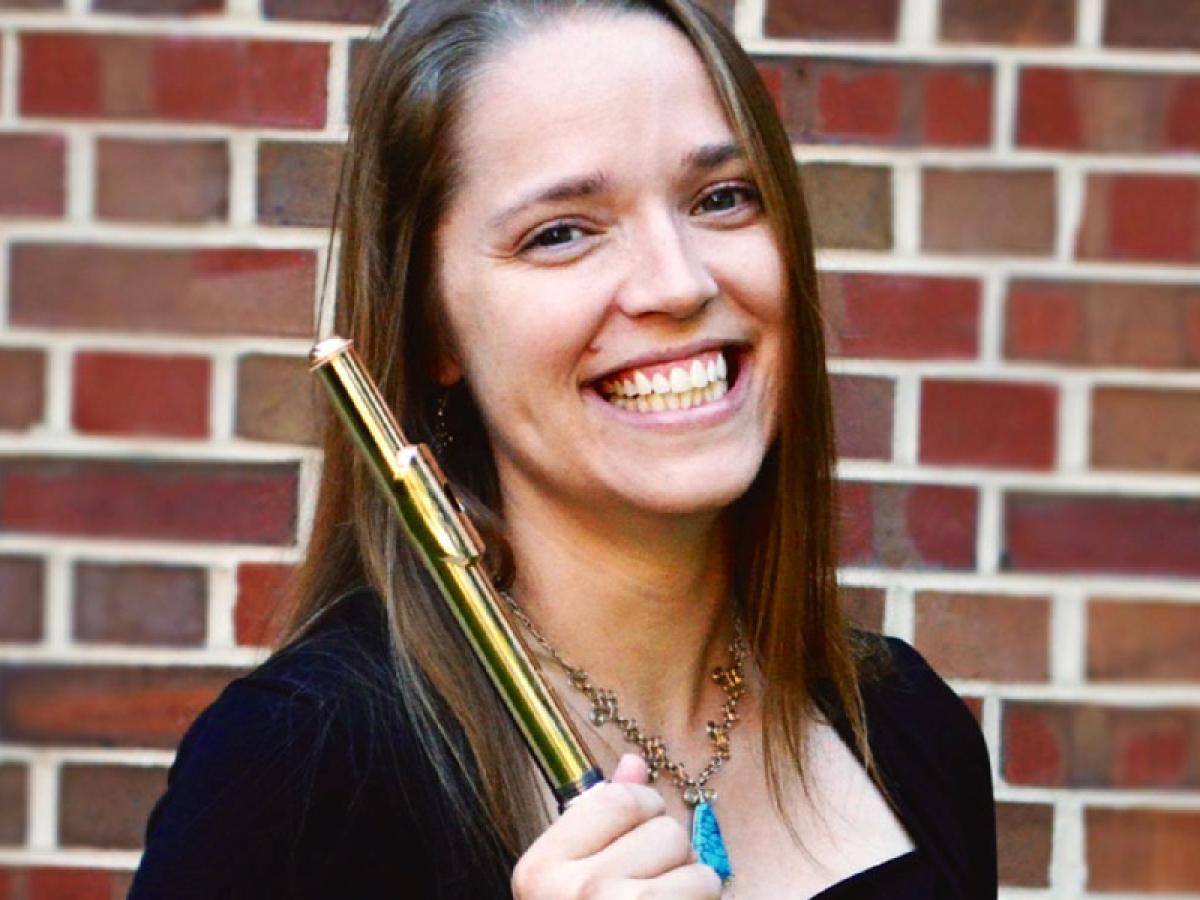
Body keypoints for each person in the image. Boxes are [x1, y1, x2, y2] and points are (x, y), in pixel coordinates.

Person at [129, 1, 997, 897]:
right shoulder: (295, 769)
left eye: (722, 198)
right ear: (435, 332)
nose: (679, 281)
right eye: (562, 232)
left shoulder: (907, 728)